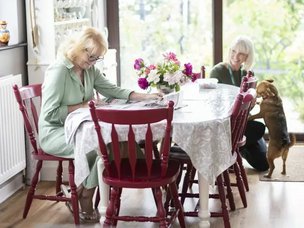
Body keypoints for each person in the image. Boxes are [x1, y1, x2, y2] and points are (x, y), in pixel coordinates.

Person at [38, 27, 163, 222]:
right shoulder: (60, 71)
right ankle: (86, 195)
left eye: (97, 58)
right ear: (78, 47)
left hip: (80, 129)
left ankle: (80, 192)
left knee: (110, 142)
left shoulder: (90, 71)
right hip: (55, 132)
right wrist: (84, 105)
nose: (92, 61)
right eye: (90, 55)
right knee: (98, 145)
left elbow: (114, 90)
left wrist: (146, 96)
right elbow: (50, 115)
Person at [210, 35, 269, 172]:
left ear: (247, 57)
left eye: (241, 54)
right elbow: (214, 105)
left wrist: (252, 102)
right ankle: (235, 145)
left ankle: (236, 149)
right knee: (258, 129)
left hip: (242, 123)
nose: (236, 56)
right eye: (233, 51)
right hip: (226, 123)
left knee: (263, 164)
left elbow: (247, 109)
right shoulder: (218, 71)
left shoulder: (246, 74)